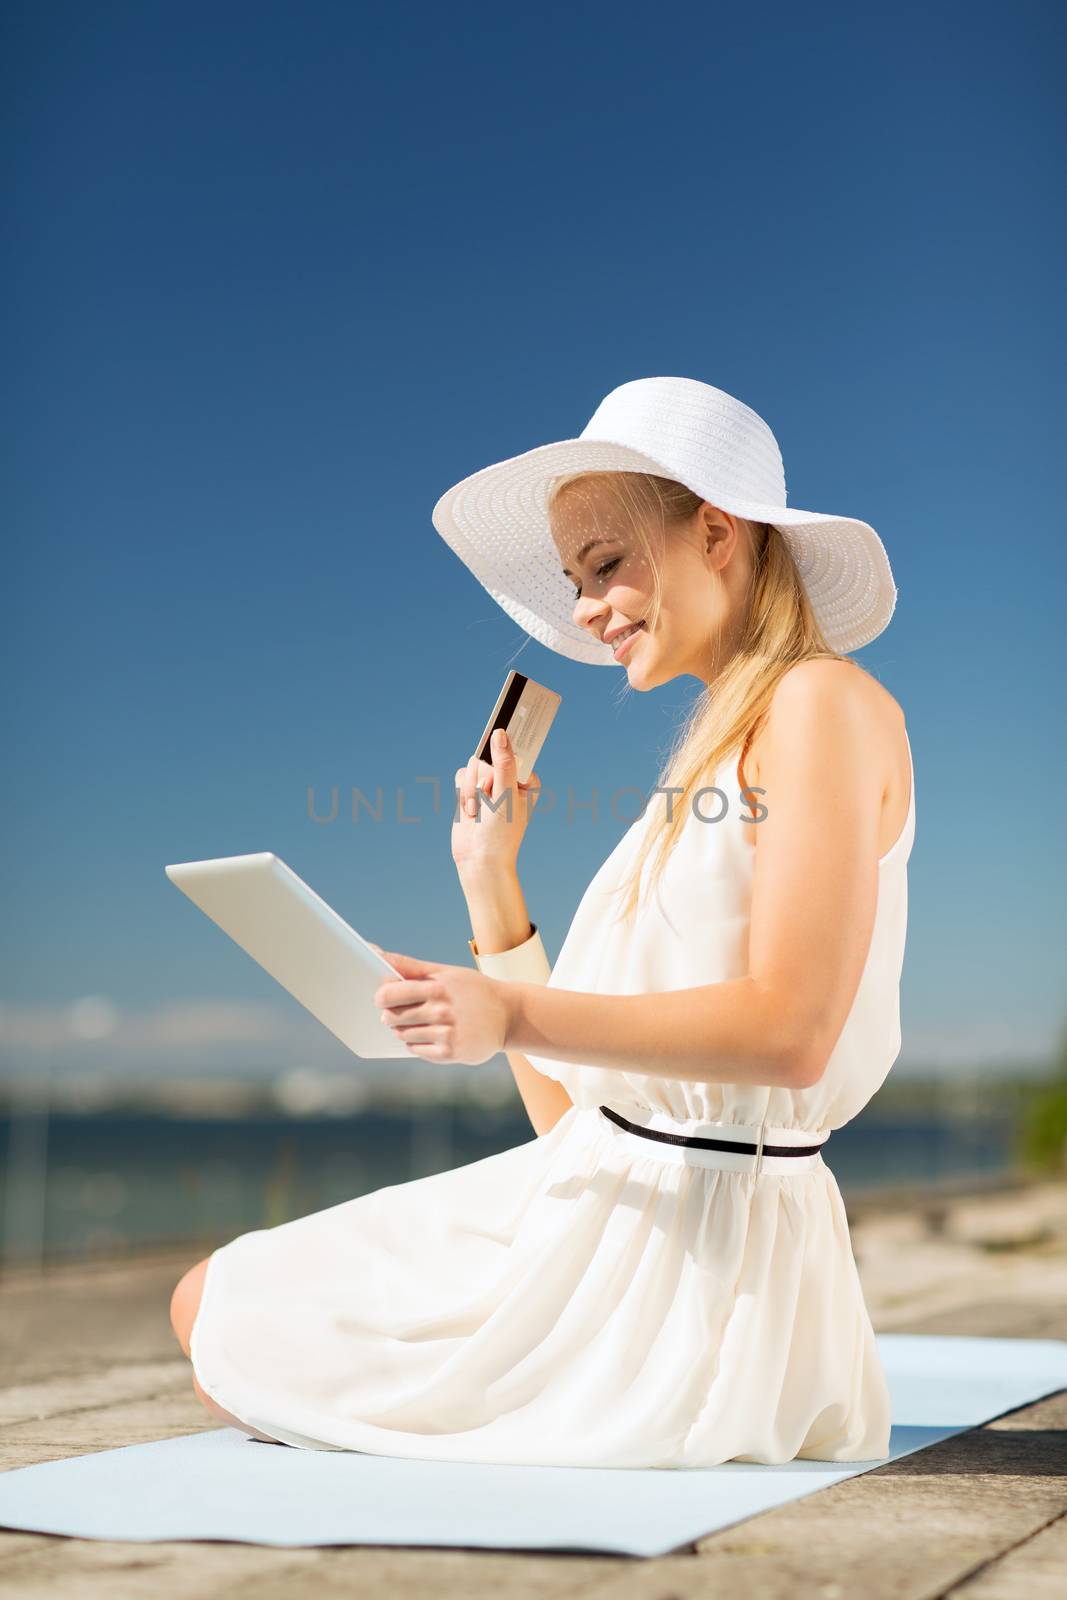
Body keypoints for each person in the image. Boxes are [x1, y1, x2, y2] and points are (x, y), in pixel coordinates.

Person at [170, 375, 914, 1467]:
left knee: (224, 1320)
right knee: (213, 1303)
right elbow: (582, 1125)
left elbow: (791, 1031)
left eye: (604, 563)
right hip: (608, 1215)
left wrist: (509, 1010)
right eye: (575, 579)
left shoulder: (821, 705)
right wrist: (489, 880)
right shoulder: (722, 745)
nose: (584, 609)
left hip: (690, 1275)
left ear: (714, 532)